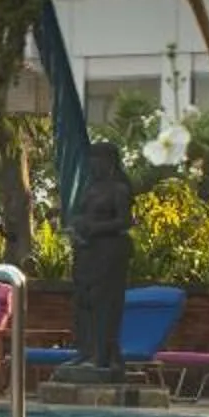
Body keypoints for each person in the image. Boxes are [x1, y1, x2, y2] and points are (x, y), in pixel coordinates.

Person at [70, 141, 134, 374]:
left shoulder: (119, 189)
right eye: (91, 161)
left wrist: (96, 228)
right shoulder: (90, 188)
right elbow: (79, 215)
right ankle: (85, 351)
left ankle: (102, 354)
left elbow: (125, 222)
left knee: (103, 303)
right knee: (83, 302)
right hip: (87, 252)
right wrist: (78, 230)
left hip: (109, 252)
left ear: (109, 162)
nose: (93, 165)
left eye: (98, 160)